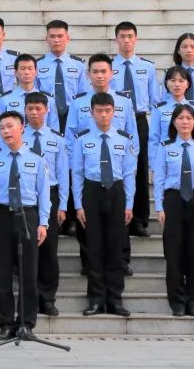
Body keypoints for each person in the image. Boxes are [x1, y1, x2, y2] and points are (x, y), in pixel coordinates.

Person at [0, 111, 50, 340]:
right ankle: (5, 324)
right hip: (2, 217)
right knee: (1, 274)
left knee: (28, 273)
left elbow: (44, 194)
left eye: (10, 126)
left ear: (22, 127)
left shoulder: (37, 159)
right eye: (2, 127)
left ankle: (26, 324)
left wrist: (43, 223)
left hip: (27, 216)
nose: (5, 131)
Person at [63, 53, 137, 260]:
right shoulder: (78, 102)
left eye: (104, 71)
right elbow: (70, 136)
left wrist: (131, 161)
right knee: (87, 223)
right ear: (88, 74)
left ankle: (122, 260)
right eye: (95, 72)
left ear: (112, 73)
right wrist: (75, 165)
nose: (99, 76)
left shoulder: (123, 101)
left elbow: (132, 134)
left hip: (117, 168)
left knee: (119, 224)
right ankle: (89, 263)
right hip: (89, 170)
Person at [72, 93, 136, 317]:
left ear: (114, 112)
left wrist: (129, 204)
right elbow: (77, 173)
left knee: (115, 248)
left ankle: (115, 299)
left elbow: (129, 174)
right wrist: (78, 205)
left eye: (108, 111)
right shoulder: (82, 139)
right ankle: (96, 299)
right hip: (92, 192)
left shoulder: (124, 139)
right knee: (94, 247)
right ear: (92, 113)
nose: (104, 115)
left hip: (116, 192)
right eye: (99, 111)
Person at [152, 104, 194, 317]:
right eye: (180, 118)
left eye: (189, 118)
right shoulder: (165, 147)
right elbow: (159, 179)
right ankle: (178, 301)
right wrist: (159, 206)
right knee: (173, 253)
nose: (185, 122)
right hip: (173, 200)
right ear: (174, 122)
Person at [111, 21, 160, 239]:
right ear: (116, 39)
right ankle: (119, 215)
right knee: (118, 167)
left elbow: (155, 100)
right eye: (122, 36)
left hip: (139, 121)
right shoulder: (108, 67)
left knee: (139, 168)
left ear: (136, 39)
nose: (126, 41)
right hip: (115, 121)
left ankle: (139, 219)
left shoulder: (147, 67)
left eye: (130, 36)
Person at [23, 92, 68, 317]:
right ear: (25, 111)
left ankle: (47, 298)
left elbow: (63, 173)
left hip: (50, 195)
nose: (34, 113)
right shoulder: (18, 136)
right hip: (26, 198)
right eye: (30, 109)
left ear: (47, 110)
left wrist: (63, 205)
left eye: (38, 109)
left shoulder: (57, 139)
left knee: (49, 249)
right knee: (27, 249)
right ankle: (28, 298)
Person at [148, 67, 194, 167]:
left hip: (193, 160)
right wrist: (154, 165)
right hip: (166, 159)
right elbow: (154, 140)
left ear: (188, 84)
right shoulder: (159, 109)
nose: (177, 84)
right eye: (173, 80)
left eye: (181, 81)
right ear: (166, 83)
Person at [35, 19, 89, 135]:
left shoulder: (78, 65)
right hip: (47, 115)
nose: (56, 40)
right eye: (52, 36)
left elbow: (83, 94)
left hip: (72, 114)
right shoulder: (37, 65)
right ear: (46, 39)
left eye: (60, 36)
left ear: (67, 38)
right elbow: (34, 93)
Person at [0, 54, 61, 132]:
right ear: (15, 73)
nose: (27, 72)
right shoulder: (4, 100)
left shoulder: (49, 99)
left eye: (30, 68)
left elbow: (54, 130)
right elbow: (0, 128)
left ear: (36, 72)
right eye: (23, 69)